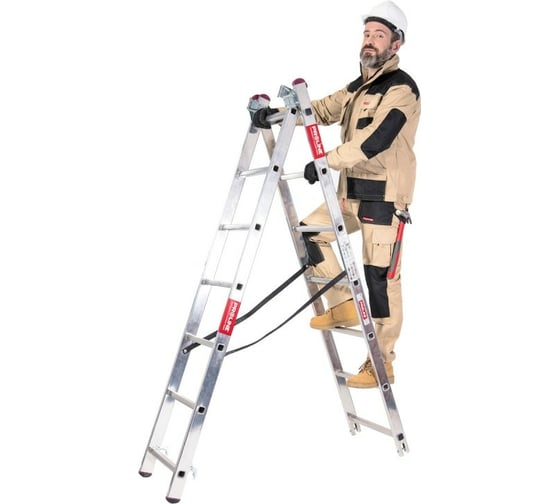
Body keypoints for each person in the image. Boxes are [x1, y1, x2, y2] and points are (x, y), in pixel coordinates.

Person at [253, 1, 420, 388]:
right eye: (367, 34)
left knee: (380, 280)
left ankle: (381, 363)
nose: (370, 41)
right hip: (350, 194)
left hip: (384, 198)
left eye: (379, 35)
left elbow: (375, 140)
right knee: (309, 233)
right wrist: (275, 115)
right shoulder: (357, 87)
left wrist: (326, 161)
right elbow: (322, 109)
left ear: (396, 44)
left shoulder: (402, 89)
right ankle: (343, 302)